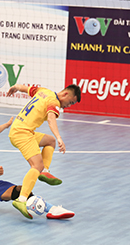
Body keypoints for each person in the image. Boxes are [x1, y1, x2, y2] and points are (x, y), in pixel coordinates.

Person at [6, 84, 81, 219]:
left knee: (49, 141)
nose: (67, 106)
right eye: (70, 103)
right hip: (22, 133)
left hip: (20, 129)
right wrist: (59, 138)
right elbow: (51, 119)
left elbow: (26, 88)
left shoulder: (44, 91)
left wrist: (16, 87)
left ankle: (44, 171)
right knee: (36, 165)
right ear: (65, 95)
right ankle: (21, 200)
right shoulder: (54, 101)